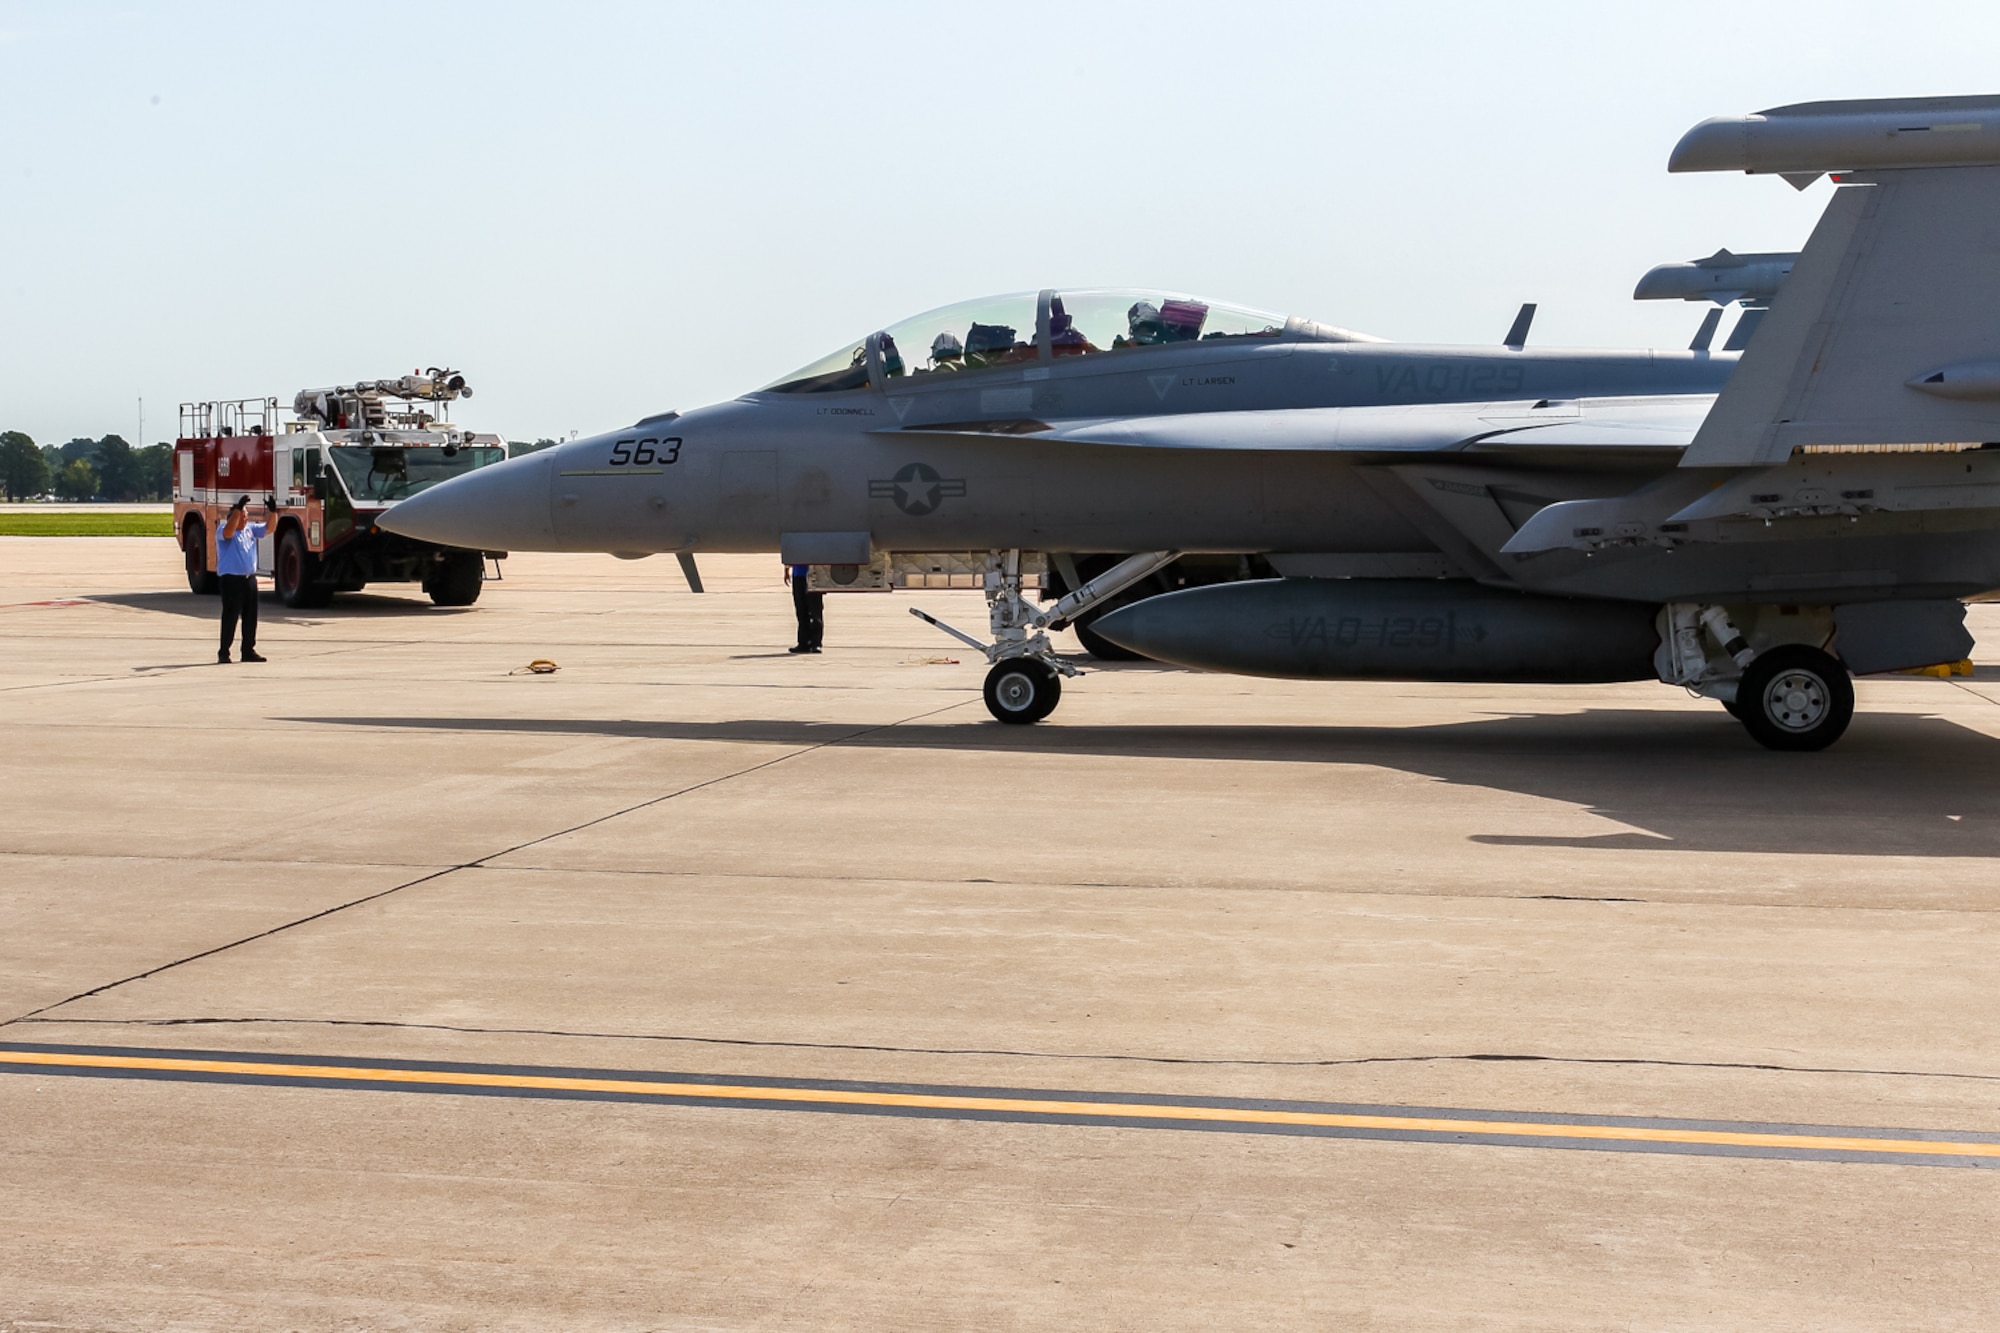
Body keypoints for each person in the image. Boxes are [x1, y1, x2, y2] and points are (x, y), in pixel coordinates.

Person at [216, 494, 268, 663]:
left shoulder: (250, 529)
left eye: (246, 516)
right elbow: (229, 532)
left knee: (250, 617)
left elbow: (269, 529)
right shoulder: (223, 531)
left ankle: (248, 650)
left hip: (249, 580)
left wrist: (273, 512)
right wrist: (238, 509)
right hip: (232, 581)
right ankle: (224, 652)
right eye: (242, 516)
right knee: (231, 617)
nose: (245, 520)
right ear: (233, 517)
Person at [785, 562, 823, 654]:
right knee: (801, 610)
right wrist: (786, 569)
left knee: (815, 611)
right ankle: (803, 643)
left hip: (814, 574)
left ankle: (816, 643)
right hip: (798, 575)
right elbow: (789, 554)